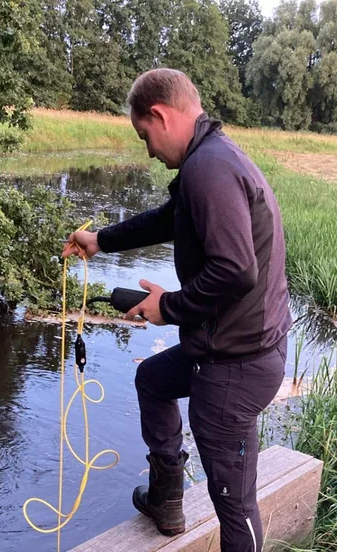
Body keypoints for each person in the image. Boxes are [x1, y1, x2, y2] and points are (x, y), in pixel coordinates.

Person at [63, 68, 292, 551]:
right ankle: (167, 501)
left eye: (144, 135)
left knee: (234, 503)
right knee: (152, 380)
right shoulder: (207, 161)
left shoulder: (209, 167)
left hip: (237, 365)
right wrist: (100, 241)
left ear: (160, 115)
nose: (147, 150)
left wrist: (167, 307)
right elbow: (167, 220)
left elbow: (235, 271)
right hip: (224, 347)